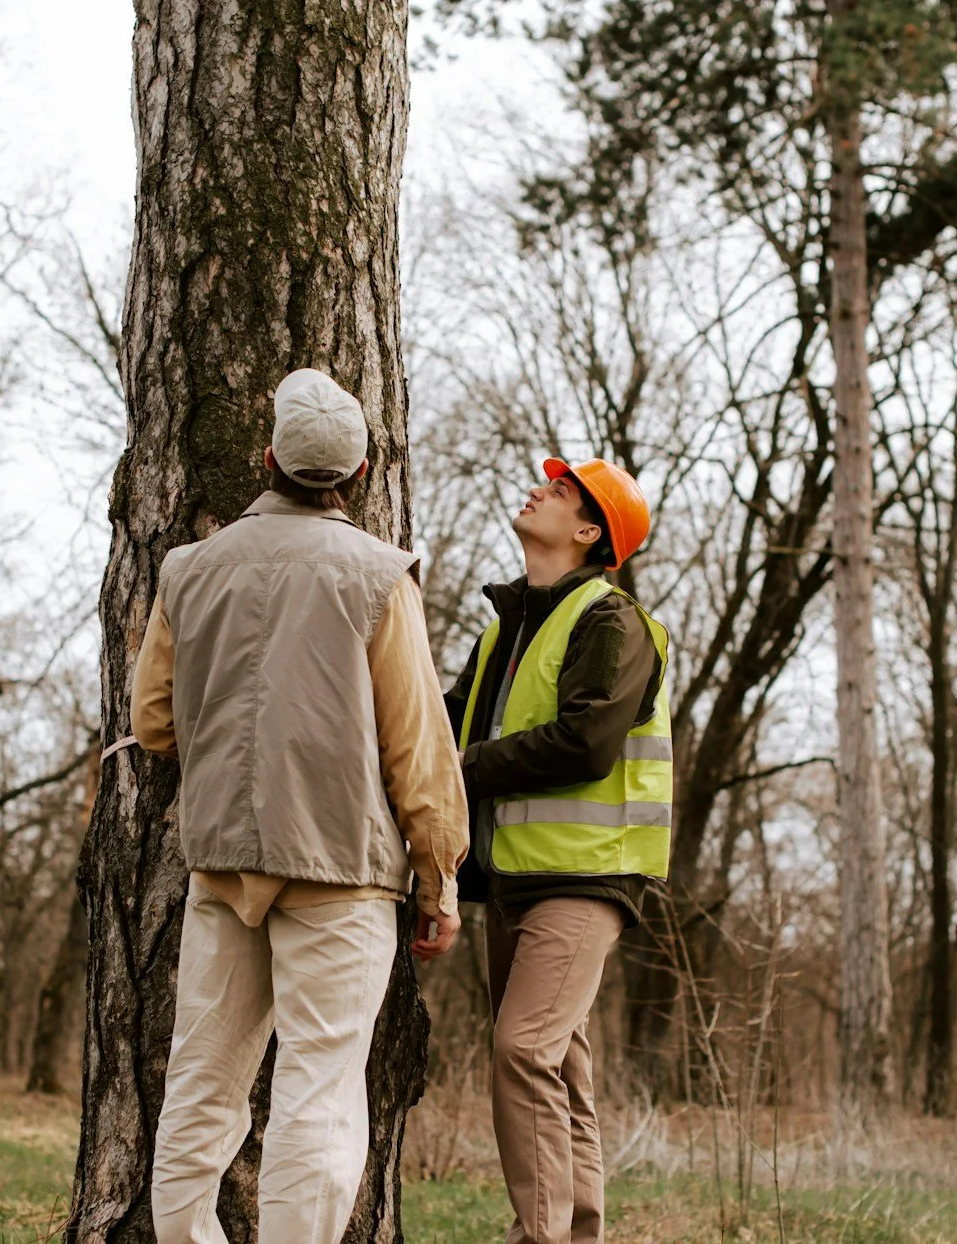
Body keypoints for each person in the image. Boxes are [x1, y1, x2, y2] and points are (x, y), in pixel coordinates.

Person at [130, 367, 469, 1244]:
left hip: (222, 861)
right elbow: (418, 745)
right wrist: (438, 876)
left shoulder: (188, 570)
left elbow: (152, 721)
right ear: (360, 475)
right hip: (341, 869)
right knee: (318, 1089)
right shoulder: (376, 575)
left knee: (200, 1085)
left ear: (269, 455)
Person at [445, 457, 672, 1244]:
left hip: (586, 876)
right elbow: (446, 724)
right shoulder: (506, 631)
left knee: (523, 1050)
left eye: (563, 492)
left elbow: (586, 743)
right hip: (515, 878)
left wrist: (458, 769)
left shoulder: (613, 622)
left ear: (587, 533)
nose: (538, 489)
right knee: (560, 1070)